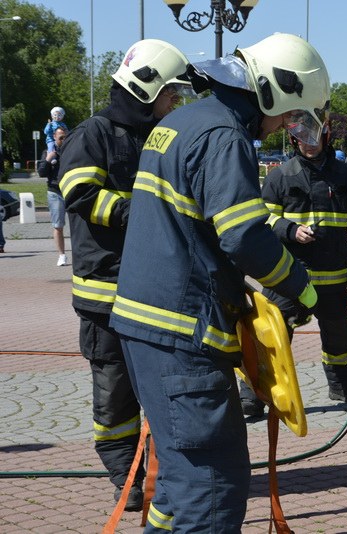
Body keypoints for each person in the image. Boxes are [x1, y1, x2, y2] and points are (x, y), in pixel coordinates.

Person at [108, 33, 328, 530]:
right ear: (273, 92)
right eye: (288, 114)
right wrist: (302, 286)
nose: (284, 126)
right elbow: (243, 236)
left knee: (177, 480)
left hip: (146, 327)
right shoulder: (225, 134)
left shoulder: (180, 122)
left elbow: (195, 229)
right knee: (212, 483)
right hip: (181, 331)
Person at [57, 39, 191, 513]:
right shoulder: (93, 134)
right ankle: (125, 477)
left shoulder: (160, 136)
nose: (174, 101)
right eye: (170, 92)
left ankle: (161, 471)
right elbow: (78, 191)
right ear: (146, 87)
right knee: (114, 393)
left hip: (153, 290)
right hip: (105, 292)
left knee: (159, 388)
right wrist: (142, 213)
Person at [259, 122, 347, 407]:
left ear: (326, 138)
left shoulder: (345, 175)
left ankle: (343, 388)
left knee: (339, 338)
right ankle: (255, 396)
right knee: (272, 336)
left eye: (314, 137)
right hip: (290, 276)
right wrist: (291, 230)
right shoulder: (280, 176)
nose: (309, 143)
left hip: (332, 275)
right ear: (293, 140)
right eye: (302, 138)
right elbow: (264, 218)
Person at [36, 126, 68, 266]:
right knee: (58, 225)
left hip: (71, 191)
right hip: (55, 192)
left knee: (78, 224)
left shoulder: (72, 151)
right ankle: (62, 255)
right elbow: (41, 173)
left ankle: (80, 253)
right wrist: (48, 160)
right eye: (60, 137)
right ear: (54, 137)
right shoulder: (48, 152)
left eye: (65, 137)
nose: (63, 139)